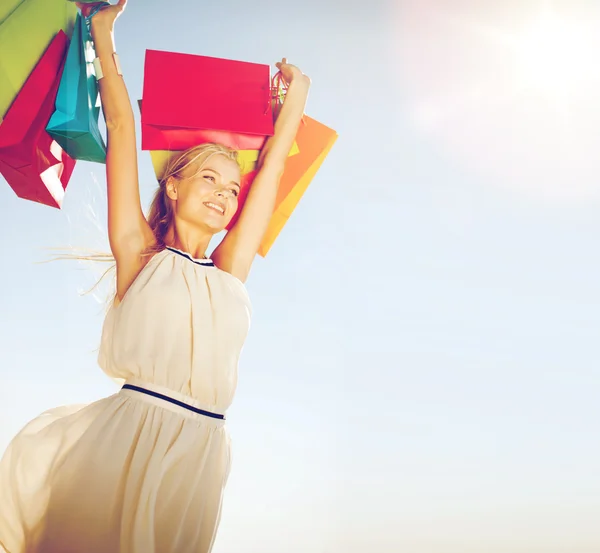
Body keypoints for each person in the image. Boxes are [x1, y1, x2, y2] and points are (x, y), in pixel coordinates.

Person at [0, 1, 310, 551]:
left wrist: (295, 100)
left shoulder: (230, 271)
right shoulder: (139, 251)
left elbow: (276, 165)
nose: (224, 193)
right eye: (210, 179)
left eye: (231, 189)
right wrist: (102, 31)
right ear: (173, 186)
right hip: (130, 440)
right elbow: (121, 123)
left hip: (204, 452)